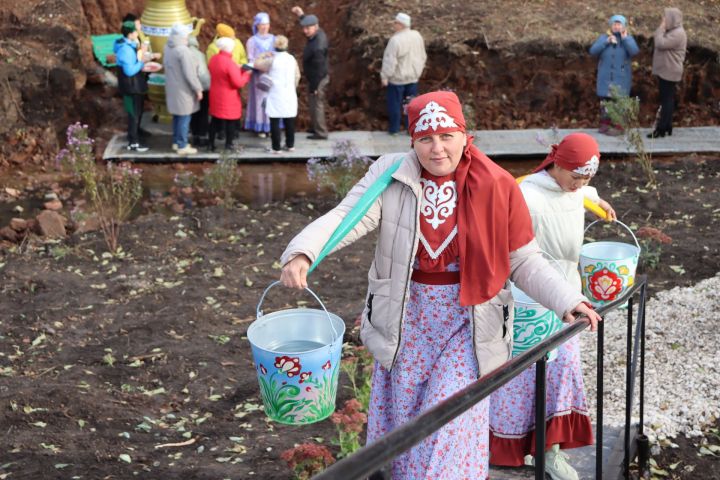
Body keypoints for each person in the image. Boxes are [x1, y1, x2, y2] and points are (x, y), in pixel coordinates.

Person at [278, 91, 601, 480]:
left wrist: (568, 299)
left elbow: (523, 258)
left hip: (467, 320)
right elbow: (348, 215)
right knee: (408, 424)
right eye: (425, 139)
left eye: (447, 136)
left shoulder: (498, 185)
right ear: (412, 140)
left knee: (447, 421)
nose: (437, 149)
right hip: (405, 317)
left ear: (465, 135)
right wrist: (304, 252)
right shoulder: (391, 174)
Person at [489, 133, 616, 480]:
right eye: (576, 176)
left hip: (568, 296)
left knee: (562, 374)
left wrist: (597, 201)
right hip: (530, 300)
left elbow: (584, 193)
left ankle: (550, 450)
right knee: (524, 378)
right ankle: (514, 450)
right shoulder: (525, 194)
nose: (581, 184)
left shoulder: (575, 189)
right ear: (556, 164)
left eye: (587, 178)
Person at [589, 14, 639, 135]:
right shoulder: (604, 38)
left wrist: (625, 39)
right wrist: (606, 42)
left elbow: (634, 51)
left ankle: (619, 126)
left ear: (624, 26)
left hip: (621, 76)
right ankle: (604, 124)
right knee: (606, 101)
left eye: (619, 24)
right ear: (611, 26)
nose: (617, 27)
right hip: (605, 76)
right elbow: (593, 51)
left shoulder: (628, 38)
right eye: (615, 24)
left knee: (619, 101)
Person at [381, 12, 426, 135]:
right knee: (411, 105)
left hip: (397, 79)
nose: (394, 25)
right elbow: (422, 56)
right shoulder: (417, 36)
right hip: (413, 78)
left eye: (395, 23)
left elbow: (390, 60)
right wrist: (418, 71)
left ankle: (394, 129)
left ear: (401, 24)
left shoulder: (396, 40)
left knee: (395, 105)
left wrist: (385, 76)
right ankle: (410, 128)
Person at [164, 24, 203, 155]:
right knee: (185, 117)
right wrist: (198, 88)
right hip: (183, 90)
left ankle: (176, 141)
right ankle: (182, 145)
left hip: (172, 87)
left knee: (177, 116)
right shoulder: (183, 51)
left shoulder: (168, 47)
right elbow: (190, 73)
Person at [291, 5, 330, 140]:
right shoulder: (318, 34)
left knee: (317, 104)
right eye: (304, 28)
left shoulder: (318, 45)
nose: (305, 31)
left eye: (308, 28)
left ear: (316, 27)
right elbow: (308, 22)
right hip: (315, 77)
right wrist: (301, 15)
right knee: (313, 104)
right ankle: (315, 127)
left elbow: (318, 69)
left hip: (318, 79)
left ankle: (321, 132)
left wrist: (314, 86)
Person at [207, 37, 252, 152]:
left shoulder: (213, 59)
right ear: (230, 49)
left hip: (215, 93)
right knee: (231, 120)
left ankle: (210, 144)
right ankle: (228, 145)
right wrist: (246, 74)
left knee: (215, 119)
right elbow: (238, 83)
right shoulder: (229, 63)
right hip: (228, 96)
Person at [648, 8, 687, 139]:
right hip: (667, 70)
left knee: (666, 100)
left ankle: (661, 129)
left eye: (665, 18)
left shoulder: (678, 33)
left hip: (669, 71)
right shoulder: (674, 31)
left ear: (672, 18)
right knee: (667, 99)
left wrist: (661, 28)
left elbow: (660, 43)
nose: (663, 20)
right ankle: (667, 126)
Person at [114, 19, 150, 152]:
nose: (137, 33)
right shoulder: (126, 50)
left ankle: (135, 136)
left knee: (135, 112)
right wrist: (141, 63)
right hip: (131, 86)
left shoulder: (124, 44)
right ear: (130, 34)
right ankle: (133, 142)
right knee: (133, 114)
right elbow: (129, 71)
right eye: (135, 31)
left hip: (130, 86)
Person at [265, 35, 300, 154]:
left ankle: (276, 147)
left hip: (275, 93)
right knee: (289, 119)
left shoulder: (272, 60)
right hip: (289, 92)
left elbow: (257, 65)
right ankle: (290, 145)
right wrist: (292, 86)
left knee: (274, 120)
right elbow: (297, 76)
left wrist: (263, 55)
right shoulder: (292, 59)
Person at [245, 12, 276, 138]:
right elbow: (250, 59)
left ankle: (271, 125)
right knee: (260, 100)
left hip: (272, 75)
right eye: (262, 24)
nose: (265, 27)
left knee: (271, 99)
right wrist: (259, 64)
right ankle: (260, 126)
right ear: (257, 25)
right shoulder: (252, 41)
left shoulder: (274, 39)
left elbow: (277, 54)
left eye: (267, 24)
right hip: (258, 76)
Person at [188, 35, 211, 147]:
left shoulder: (185, 55)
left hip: (193, 87)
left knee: (193, 112)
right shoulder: (201, 55)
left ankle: (194, 134)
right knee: (203, 112)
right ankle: (202, 135)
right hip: (205, 86)